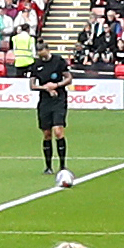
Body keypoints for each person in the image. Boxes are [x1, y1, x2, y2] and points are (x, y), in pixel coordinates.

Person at [29, 48, 74, 184]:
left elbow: (69, 78)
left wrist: (56, 85)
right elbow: (32, 85)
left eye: (41, 51)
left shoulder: (58, 61)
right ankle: (48, 166)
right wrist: (46, 88)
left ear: (46, 50)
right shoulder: (36, 64)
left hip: (59, 100)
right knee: (47, 133)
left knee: (58, 131)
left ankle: (62, 165)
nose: (39, 54)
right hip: (44, 101)